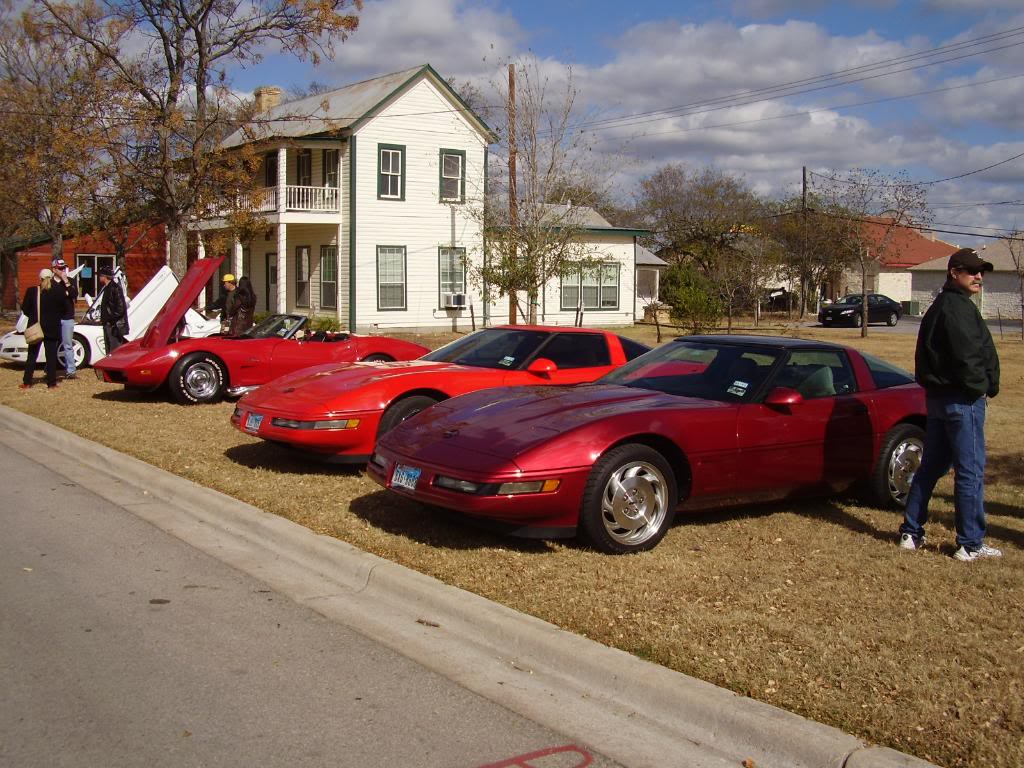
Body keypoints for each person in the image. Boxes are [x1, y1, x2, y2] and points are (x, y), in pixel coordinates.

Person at [899, 247, 1001, 562]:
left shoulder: (943, 306)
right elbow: (968, 357)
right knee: (969, 471)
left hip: (941, 401)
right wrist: (980, 388)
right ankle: (970, 543)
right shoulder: (955, 309)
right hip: (960, 401)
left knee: (931, 466)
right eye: (971, 271)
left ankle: (911, 532)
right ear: (953, 272)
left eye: (980, 271)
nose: (978, 277)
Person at [20, 268, 63, 389]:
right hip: (52, 328)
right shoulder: (58, 291)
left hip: (36, 327)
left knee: (32, 355)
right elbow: (63, 309)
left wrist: (34, 316)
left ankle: (27, 382)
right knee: (51, 357)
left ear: (40, 278)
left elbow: (25, 309)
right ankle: (52, 383)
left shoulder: (32, 291)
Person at [50, 257, 79, 379]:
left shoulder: (70, 281)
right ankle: (50, 368)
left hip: (67, 317)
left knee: (67, 344)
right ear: (54, 269)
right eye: (60, 268)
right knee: (52, 344)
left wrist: (66, 281)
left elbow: (74, 295)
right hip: (53, 318)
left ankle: (71, 371)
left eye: (64, 268)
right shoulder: (49, 282)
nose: (63, 270)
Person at [98, 266, 129, 353]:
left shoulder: (115, 288)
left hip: (114, 325)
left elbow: (121, 308)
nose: (99, 277)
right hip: (107, 324)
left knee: (115, 351)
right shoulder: (106, 288)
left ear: (105, 277)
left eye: (100, 275)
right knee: (109, 350)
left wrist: (110, 319)